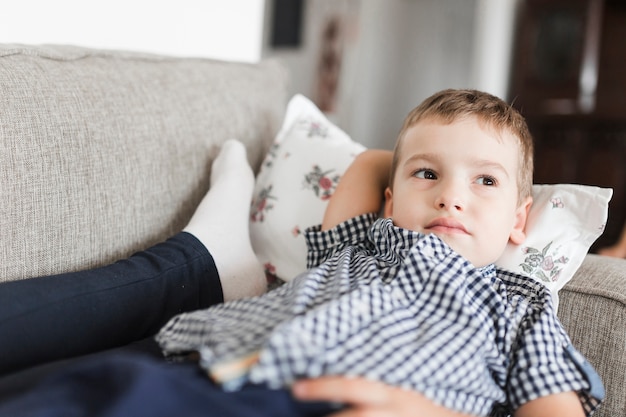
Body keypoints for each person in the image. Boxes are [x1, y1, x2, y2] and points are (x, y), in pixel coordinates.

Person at [0, 90, 603, 417]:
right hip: (213, 372)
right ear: (390, 202)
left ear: (522, 221)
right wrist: (398, 174)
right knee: (76, 391)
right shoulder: (369, 241)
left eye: (486, 182)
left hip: (354, 401)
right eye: (428, 174)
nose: (450, 196)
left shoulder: (520, 308)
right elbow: (369, 165)